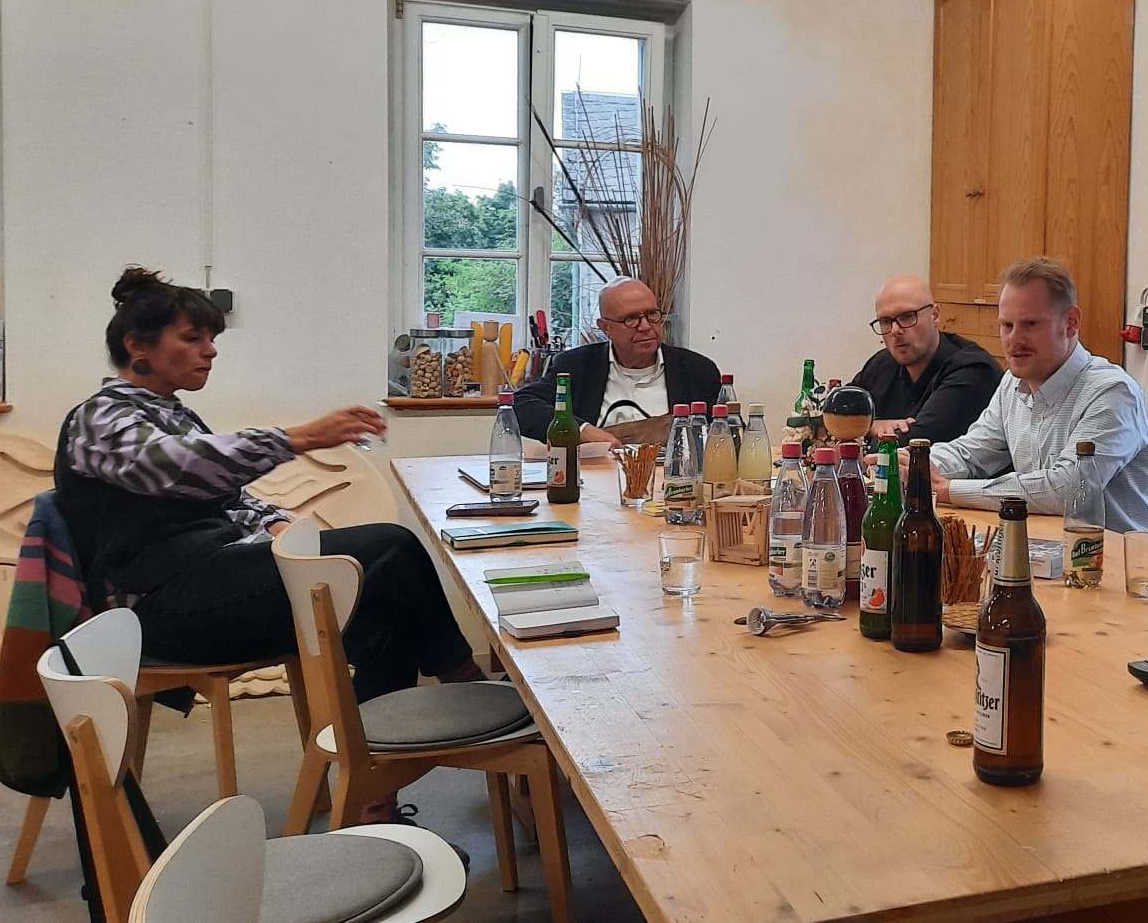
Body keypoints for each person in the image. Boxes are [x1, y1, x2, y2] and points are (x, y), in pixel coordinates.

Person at [57, 269, 485, 820]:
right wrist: (299, 438)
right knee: (390, 546)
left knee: (389, 614)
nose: (210, 351)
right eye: (192, 338)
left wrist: (278, 527)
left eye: (212, 339)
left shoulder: (173, 414)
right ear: (138, 345)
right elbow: (178, 466)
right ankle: (466, 684)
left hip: (204, 586)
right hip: (155, 611)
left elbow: (226, 496)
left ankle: (370, 801)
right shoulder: (100, 417)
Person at [926, 257, 1148, 534]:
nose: (1014, 340)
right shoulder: (1012, 384)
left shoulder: (1112, 392)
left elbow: (1068, 489)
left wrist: (949, 490)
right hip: (1054, 549)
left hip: (1132, 557)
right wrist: (917, 465)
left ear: (1071, 323)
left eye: (1030, 324)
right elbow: (971, 453)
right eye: (1007, 325)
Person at [514, 277, 721, 442]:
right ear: (605, 328)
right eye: (631, 319)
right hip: (594, 477)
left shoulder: (697, 371)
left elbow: (723, 435)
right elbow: (520, 404)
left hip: (672, 479)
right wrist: (581, 430)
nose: (645, 326)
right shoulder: (577, 366)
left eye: (652, 315)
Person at [849, 275, 1002, 445]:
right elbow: (835, 414)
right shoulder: (882, 364)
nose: (895, 330)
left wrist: (860, 429)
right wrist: (871, 426)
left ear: (934, 316)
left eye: (907, 316)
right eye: (885, 321)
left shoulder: (973, 370)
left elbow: (916, 445)